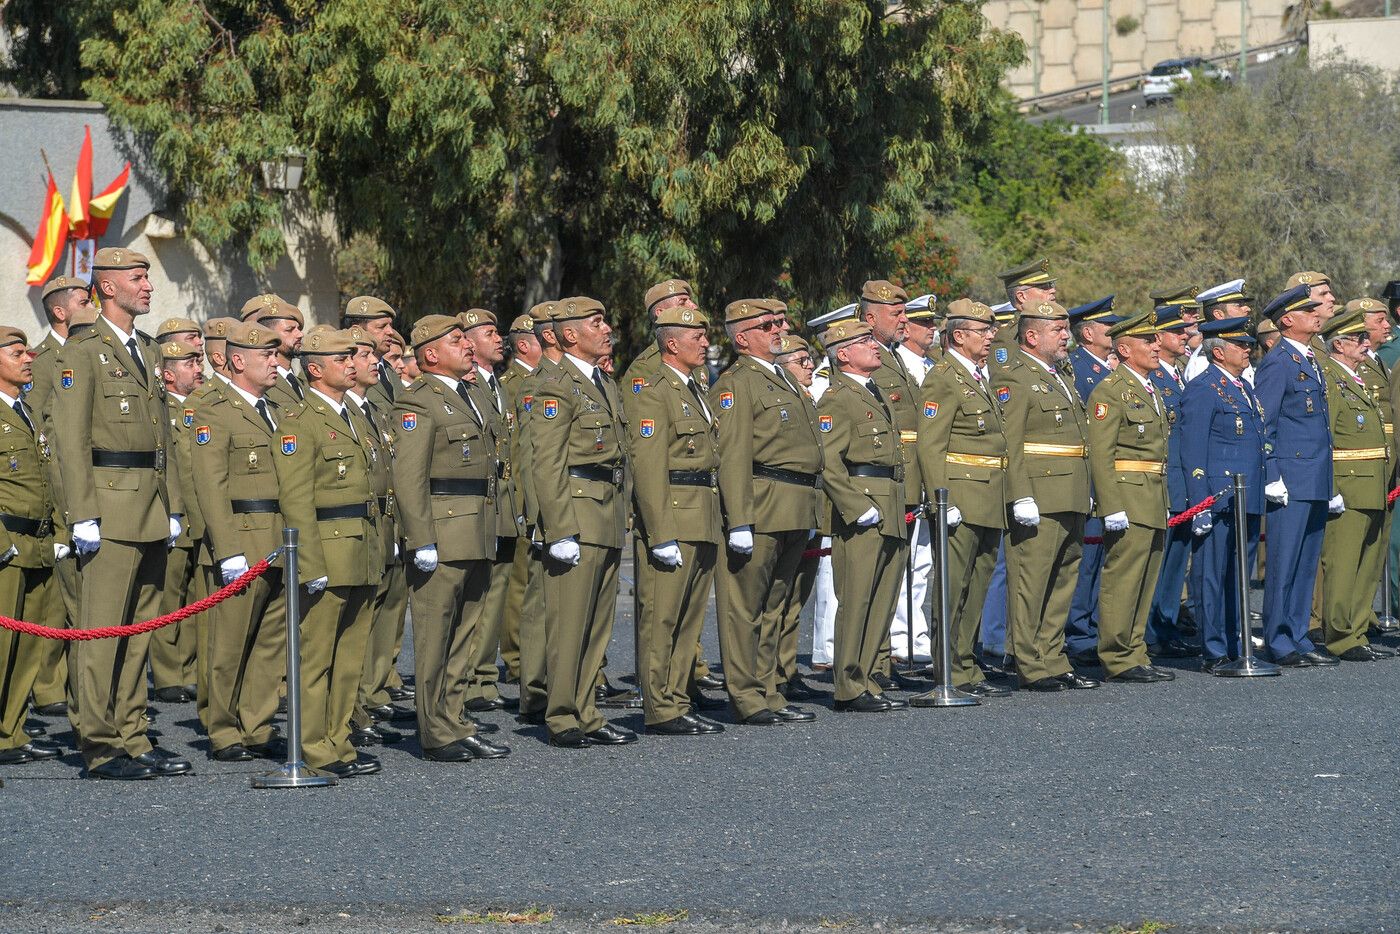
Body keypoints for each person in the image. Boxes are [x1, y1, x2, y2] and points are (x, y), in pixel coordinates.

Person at [53, 247, 188, 780]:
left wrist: (174, 505)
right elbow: (69, 438)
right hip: (107, 506)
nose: (148, 286)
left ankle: (133, 732)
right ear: (107, 287)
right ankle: (100, 743)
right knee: (102, 631)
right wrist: (82, 513)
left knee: (139, 630)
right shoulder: (83, 351)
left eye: (148, 277)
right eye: (138, 278)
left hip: (150, 507)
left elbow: (164, 440)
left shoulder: (149, 350)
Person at [392, 315, 511, 762]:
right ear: (430, 354)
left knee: (466, 633)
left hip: (477, 528)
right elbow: (408, 478)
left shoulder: (472, 394)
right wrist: (420, 538)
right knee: (436, 633)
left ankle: (456, 719)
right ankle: (435, 730)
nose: (467, 346)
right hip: (442, 531)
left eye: (465, 338)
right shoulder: (419, 401)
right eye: (456, 340)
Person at [273, 328, 388, 777]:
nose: (352, 363)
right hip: (328, 550)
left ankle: (338, 740)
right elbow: (296, 499)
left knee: (349, 658)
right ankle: (312, 745)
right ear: (316, 368)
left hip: (361, 546)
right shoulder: (300, 422)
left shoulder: (355, 416)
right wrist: (310, 563)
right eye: (342, 358)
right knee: (316, 656)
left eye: (351, 356)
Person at [532, 297, 638, 747]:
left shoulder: (603, 383)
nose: (607, 328)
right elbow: (546, 463)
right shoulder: (557, 386)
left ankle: (587, 711)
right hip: (577, 509)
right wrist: (559, 528)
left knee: (597, 624)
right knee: (570, 622)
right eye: (596, 322)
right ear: (570, 334)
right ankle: (561, 716)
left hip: (607, 510)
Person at [713, 298, 823, 725]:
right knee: (745, 606)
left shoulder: (783, 378)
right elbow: (733, 454)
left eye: (780, 322)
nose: (780, 329)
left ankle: (769, 688)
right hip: (761, 504)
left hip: (795, 505)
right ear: (742, 338)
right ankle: (745, 695)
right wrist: (738, 519)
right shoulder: (737, 382)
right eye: (768, 325)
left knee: (777, 603)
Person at [191, 322, 289, 761]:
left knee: (269, 640)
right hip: (241, 538)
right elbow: (210, 485)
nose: (274, 362)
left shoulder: (276, 409)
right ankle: (224, 729)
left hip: (278, 537)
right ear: (237, 361)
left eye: (275, 355)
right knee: (228, 642)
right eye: (265, 356)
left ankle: (258, 724)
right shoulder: (215, 410)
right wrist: (227, 548)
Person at [629, 305, 725, 735]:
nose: (705, 343)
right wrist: (659, 532)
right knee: (662, 617)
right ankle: (660, 706)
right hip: (674, 518)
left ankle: (678, 698)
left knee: (689, 618)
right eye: (697, 337)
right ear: (671, 343)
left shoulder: (694, 389)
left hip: (702, 514)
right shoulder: (655, 391)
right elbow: (648, 467)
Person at [997, 301, 1097, 691]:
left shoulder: (1058, 376)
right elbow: (1012, 441)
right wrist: (1020, 494)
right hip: (1039, 492)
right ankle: (1029, 662)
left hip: (1070, 490)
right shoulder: (1016, 376)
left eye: (1065, 329)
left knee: (1063, 579)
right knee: (1031, 581)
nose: (1066, 336)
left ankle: (1053, 657)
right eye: (1058, 330)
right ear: (1032, 336)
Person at [916, 298, 1010, 698]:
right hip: (961, 494)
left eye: (991, 331)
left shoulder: (976, 375)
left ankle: (966, 666)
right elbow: (930, 445)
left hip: (988, 494)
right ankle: (947, 669)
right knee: (953, 589)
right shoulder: (944, 376)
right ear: (958, 336)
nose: (991, 337)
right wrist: (942, 499)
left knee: (977, 584)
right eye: (982, 331)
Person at [817, 319, 910, 711]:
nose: (874, 346)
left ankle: (868, 676)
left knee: (883, 597)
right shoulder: (838, 397)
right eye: (864, 341)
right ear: (843, 354)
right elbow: (827, 461)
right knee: (857, 599)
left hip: (888, 501)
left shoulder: (872, 392)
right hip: (864, 505)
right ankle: (849, 685)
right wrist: (856, 508)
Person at [1087, 311, 1174, 683]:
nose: (1156, 346)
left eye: (1156, 340)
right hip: (1128, 496)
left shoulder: (1148, 388)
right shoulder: (1111, 390)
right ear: (1124, 349)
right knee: (1123, 579)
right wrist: (1111, 506)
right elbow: (1101, 453)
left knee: (1145, 578)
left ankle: (1135, 650)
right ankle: (1117, 655)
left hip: (1152, 494)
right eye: (1147, 342)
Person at [1253, 284, 1337, 667]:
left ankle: (1298, 633)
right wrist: (1272, 474)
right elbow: (1263, 424)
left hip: (1314, 474)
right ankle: (1279, 639)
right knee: (1285, 563)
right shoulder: (1278, 362)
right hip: (1290, 476)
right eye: (1308, 310)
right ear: (1288, 319)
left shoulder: (1309, 359)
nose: (1317, 315)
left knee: (1306, 562)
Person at [26, 276, 97, 720]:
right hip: (56, 487)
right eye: (84, 301)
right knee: (57, 599)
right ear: (60, 312)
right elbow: (35, 429)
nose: (91, 306)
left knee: (83, 597)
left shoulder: (91, 350)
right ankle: (50, 688)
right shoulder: (42, 359)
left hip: (88, 485)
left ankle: (78, 687)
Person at [1181, 319, 1266, 671]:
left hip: (1246, 495)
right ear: (1218, 352)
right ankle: (1214, 648)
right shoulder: (1204, 388)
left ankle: (1236, 642)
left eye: (1248, 344)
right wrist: (1200, 501)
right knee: (1213, 575)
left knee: (1237, 575)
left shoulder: (1242, 387)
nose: (1248, 349)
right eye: (1240, 345)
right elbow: (1192, 449)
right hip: (1218, 496)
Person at [341, 325, 411, 748]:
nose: (373, 361)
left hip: (385, 525)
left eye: (371, 354)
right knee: (353, 628)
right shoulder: (340, 411)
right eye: (361, 355)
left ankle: (362, 701)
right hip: (351, 531)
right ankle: (348, 710)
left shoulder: (371, 410)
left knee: (376, 618)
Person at [1316, 310, 1394, 661]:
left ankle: (1358, 631)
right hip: (1348, 484)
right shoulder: (1331, 379)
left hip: (1373, 483)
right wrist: (1330, 486)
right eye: (1359, 339)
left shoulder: (1357, 377)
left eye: (1366, 338)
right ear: (1339, 344)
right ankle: (1340, 634)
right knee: (1344, 563)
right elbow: (1326, 437)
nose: (1366, 344)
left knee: (1368, 563)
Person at [0, 326, 62, 765]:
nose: (28, 359)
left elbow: (46, 480)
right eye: (18, 352)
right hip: (7, 543)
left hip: (38, 542)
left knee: (28, 647)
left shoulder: (26, 411)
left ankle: (12, 732)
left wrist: (57, 535)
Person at [458, 309, 520, 715]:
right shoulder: (467, 386)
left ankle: (483, 676)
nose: (498, 338)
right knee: (474, 597)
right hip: (478, 504)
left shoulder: (497, 384)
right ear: (468, 342)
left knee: (495, 593)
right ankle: (469, 680)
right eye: (488, 333)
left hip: (505, 502)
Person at [1064, 295, 1120, 666]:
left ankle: (1093, 627)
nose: (1115, 332)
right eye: (1108, 326)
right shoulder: (1079, 368)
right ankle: (1079, 632)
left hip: (1108, 476)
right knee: (1085, 560)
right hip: (1087, 476)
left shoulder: (1103, 368)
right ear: (1087, 333)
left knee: (1101, 556)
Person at [151, 338, 206, 703]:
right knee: (168, 599)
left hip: (200, 516)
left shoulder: (202, 408)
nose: (199, 368)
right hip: (173, 514)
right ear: (168, 374)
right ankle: (169, 674)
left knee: (192, 600)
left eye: (198, 361)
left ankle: (188, 668)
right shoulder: (161, 409)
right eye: (190, 363)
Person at [1144, 305, 1200, 660]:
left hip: (1181, 481)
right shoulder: (1153, 379)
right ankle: (1150, 632)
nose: (1184, 336)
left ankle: (1166, 626)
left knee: (1176, 560)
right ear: (1158, 338)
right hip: (1163, 479)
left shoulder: (1176, 375)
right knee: (1158, 562)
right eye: (1176, 331)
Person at [771, 334, 824, 696]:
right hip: (781, 506)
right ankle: (771, 672)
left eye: (809, 360)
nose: (809, 366)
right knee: (776, 597)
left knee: (795, 599)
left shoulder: (810, 398)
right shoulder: (781, 400)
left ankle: (785, 668)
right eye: (800, 360)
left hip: (810, 507)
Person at [496, 313, 542, 685]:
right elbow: (514, 447)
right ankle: (515, 656)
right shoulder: (513, 385)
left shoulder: (543, 381)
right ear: (524, 344)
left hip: (540, 488)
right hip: (521, 492)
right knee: (519, 582)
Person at [243, 294, 307, 408]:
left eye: (298, 328)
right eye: (290, 330)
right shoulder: (255, 383)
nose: (300, 334)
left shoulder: (302, 382)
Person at [1185, 280, 1252, 382]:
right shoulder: (1203, 363)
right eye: (1238, 305)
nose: (1247, 308)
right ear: (1219, 314)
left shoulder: (1237, 351)